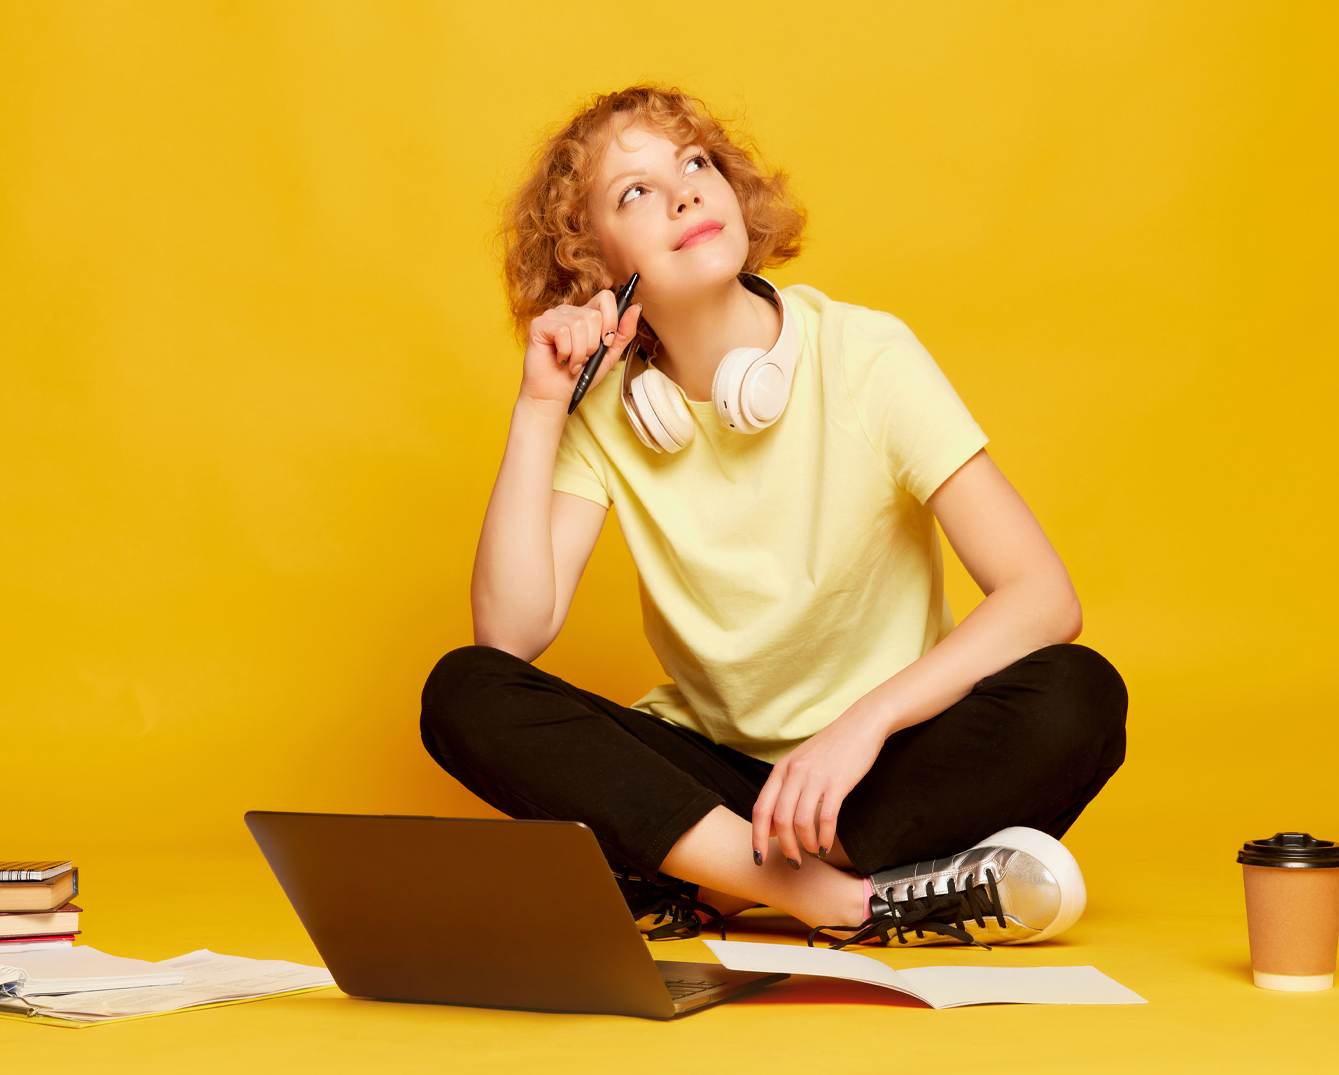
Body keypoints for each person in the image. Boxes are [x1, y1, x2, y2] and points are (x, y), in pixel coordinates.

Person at [420, 85, 1127, 948]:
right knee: (463, 689)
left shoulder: (866, 354)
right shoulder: (604, 411)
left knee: (1078, 694)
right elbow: (510, 636)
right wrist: (540, 405)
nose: (682, 192)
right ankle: (838, 897)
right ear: (594, 266)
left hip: (871, 768)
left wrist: (857, 729)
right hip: (710, 782)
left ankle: (711, 879)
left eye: (694, 165)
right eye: (633, 192)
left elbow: (1042, 597)